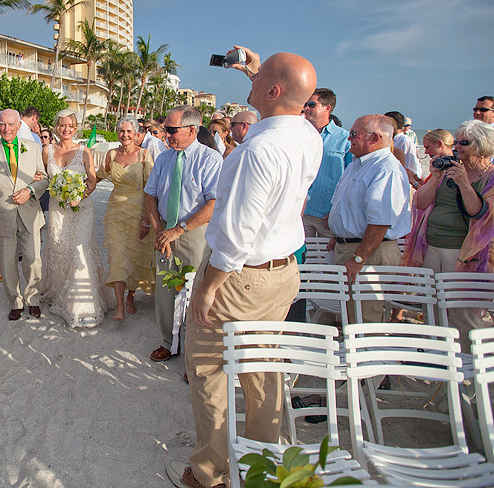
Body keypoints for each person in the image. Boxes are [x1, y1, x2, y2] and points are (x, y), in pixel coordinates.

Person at [169, 46, 322, 488]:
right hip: (282, 272)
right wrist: (257, 71)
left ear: (273, 91)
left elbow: (235, 236)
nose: (250, 84)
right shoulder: (307, 134)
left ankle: (209, 471)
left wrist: (206, 287)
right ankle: (260, 465)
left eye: (258, 80)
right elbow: (286, 98)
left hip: (241, 276)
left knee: (209, 370)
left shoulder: (256, 151)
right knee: (263, 367)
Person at [403, 120, 494, 348]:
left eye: (465, 142)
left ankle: (468, 363)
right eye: (457, 142)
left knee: (462, 312)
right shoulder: (447, 170)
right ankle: (440, 355)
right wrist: (435, 176)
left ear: (482, 146)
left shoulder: (489, 177)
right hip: (432, 246)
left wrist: (463, 182)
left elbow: (479, 212)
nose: (458, 147)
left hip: (466, 255)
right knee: (432, 305)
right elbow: (421, 202)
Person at [145, 106, 222, 363]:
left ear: (192, 129)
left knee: (193, 292)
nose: (166, 135)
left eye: (171, 130)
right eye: (165, 129)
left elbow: (212, 205)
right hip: (165, 230)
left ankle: (193, 351)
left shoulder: (211, 160)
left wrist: (180, 230)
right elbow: (150, 194)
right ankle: (169, 341)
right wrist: (159, 231)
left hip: (194, 233)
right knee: (166, 290)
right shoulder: (164, 158)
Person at [327, 114, 411, 322]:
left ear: (374, 138)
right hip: (353, 248)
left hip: (369, 252)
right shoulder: (358, 164)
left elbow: (380, 222)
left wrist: (358, 258)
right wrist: (337, 236)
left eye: (354, 135)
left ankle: (367, 354)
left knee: (365, 318)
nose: (349, 139)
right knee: (350, 314)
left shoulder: (385, 168)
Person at [40, 109, 113, 327]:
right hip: (57, 209)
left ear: (75, 128)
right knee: (58, 248)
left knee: (79, 251)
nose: (66, 129)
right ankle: (57, 293)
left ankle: (83, 306)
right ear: (56, 127)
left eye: (70, 126)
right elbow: (45, 177)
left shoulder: (84, 151)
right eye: (62, 125)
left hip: (81, 209)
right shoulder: (47, 151)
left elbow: (92, 181)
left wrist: (79, 195)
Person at [0, 109, 49, 321]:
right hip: (2, 217)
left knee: (33, 260)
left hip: (29, 214)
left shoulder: (33, 147)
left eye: (11, 124)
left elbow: (44, 178)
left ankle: (33, 299)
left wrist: (30, 191)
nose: (6, 129)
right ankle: (15, 302)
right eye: (2, 124)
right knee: (8, 264)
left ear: (19, 126)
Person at [103, 115, 155, 321]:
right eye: (121, 131)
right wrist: (77, 188)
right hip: (115, 211)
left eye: (129, 131)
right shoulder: (111, 154)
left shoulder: (144, 155)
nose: (125, 135)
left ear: (136, 134)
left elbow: (151, 188)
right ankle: (119, 307)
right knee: (117, 256)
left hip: (138, 211)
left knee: (134, 256)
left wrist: (147, 220)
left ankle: (130, 298)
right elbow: (96, 175)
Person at [302, 88, 352, 239]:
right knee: (301, 259)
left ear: (327, 108)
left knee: (327, 258)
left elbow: (351, 179)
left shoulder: (345, 139)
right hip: (300, 212)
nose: (306, 108)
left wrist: (338, 210)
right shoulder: (300, 136)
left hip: (328, 215)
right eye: (305, 104)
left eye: (311, 104)